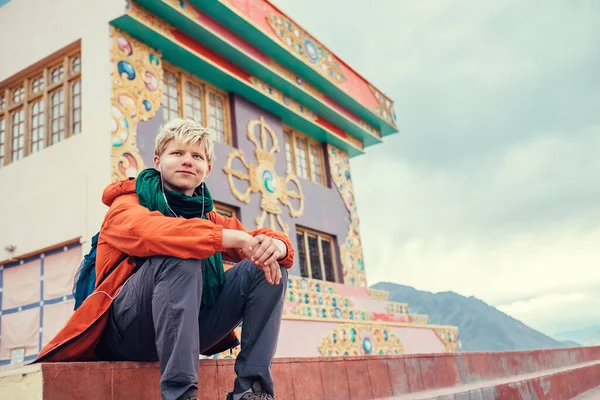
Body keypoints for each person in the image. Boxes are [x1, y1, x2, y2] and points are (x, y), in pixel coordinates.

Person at [35, 118, 295, 400]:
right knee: (180, 255)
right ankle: (181, 394)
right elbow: (150, 232)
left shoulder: (208, 216)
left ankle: (252, 391)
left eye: (197, 156)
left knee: (269, 267)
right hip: (126, 331)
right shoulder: (127, 204)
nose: (187, 161)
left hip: (189, 329)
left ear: (206, 170)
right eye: (177, 153)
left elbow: (265, 237)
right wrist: (229, 239)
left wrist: (276, 247)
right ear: (158, 161)